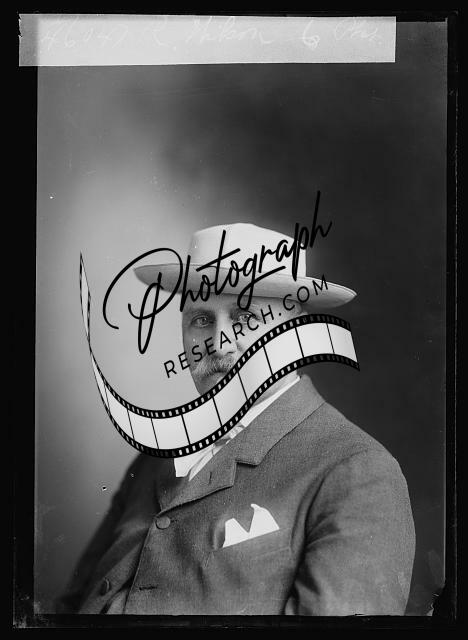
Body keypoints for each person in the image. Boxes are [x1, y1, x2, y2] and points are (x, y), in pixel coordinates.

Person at [57, 223, 415, 615]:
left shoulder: (358, 471)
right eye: (201, 319)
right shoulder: (155, 458)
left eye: (245, 316)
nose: (218, 342)